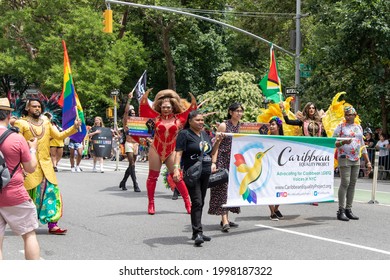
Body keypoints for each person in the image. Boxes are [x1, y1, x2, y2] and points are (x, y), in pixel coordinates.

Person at [14, 97, 81, 234]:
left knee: (51, 194)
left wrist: (74, 127)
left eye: (39, 106)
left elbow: (59, 136)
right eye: (34, 106)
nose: (37, 109)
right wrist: (19, 166)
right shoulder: (20, 123)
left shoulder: (46, 121)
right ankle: (25, 224)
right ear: (27, 108)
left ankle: (53, 224)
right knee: (28, 197)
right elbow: (16, 145)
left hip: (46, 166)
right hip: (29, 166)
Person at [139, 89, 196, 215]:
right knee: (152, 177)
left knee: (177, 178)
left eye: (168, 107)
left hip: (172, 150)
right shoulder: (154, 118)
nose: (166, 109)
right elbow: (141, 127)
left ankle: (188, 203)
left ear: (173, 107)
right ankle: (151, 203)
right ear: (160, 107)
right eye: (163, 107)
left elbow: (193, 119)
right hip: (155, 148)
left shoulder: (180, 119)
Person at [173, 110, 223, 246]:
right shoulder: (184, 134)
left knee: (201, 201)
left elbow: (211, 152)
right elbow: (178, 153)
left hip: (205, 171)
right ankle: (198, 232)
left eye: (202, 120)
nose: (201, 122)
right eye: (198, 120)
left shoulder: (204, 134)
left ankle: (197, 232)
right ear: (190, 121)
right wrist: (176, 168)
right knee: (197, 201)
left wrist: (218, 142)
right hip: (192, 172)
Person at [0, 98, 40, 259]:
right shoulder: (16, 139)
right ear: (9, 116)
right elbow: (30, 167)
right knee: (29, 234)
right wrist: (33, 150)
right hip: (14, 193)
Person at [333, 105, 372, 221]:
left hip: (356, 158)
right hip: (344, 157)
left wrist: (368, 161)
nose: (348, 116)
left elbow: (362, 144)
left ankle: (348, 209)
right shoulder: (340, 127)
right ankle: (340, 210)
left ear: (355, 115)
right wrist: (343, 142)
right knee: (345, 182)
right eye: (346, 115)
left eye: (350, 114)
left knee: (352, 184)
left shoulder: (358, 127)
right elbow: (332, 142)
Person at [208, 102, 243, 232]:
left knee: (231, 190)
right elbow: (216, 146)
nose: (239, 113)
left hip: (234, 161)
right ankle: (224, 220)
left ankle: (226, 217)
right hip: (222, 159)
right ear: (230, 112)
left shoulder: (240, 126)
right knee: (222, 188)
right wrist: (214, 162)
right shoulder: (224, 125)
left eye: (241, 111)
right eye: (237, 111)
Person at [119, 92, 140, 192]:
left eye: (134, 112)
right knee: (131, 163)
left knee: (131, 165)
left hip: (136, 144)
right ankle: (135, 184)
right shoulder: (126, 121)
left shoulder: (138, 122)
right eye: (131, 111)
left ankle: (123, 182)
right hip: (128, 143)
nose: (133, 113)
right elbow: (126, 111)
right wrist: (129, 99)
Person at [267, 116, 284, 221]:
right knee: (269, 189)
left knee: (282, 189)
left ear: (278, 126)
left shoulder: (284, 138)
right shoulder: (267, 138)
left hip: (281, 167)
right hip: (269, 166)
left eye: (273, 124)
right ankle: (272, 212)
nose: (271, 127)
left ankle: (276, 209)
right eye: (270, 125)